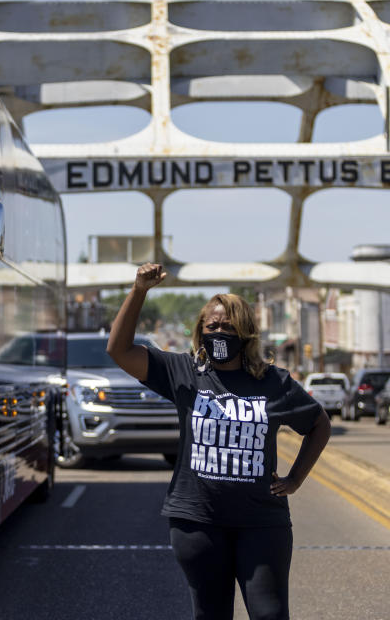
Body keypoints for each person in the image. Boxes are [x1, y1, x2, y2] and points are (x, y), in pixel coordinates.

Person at [107, 263, 331, 620]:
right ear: (200, 331)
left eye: (228, 326)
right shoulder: (182, 372)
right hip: (198, 522)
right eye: (212, 326)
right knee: (210, 615)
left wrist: (295, 479)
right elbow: (119, 350)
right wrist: (139, 291)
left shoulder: (275, 382)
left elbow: (319, 424)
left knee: (270, 614)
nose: (219, 333)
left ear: (246, 332)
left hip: (261, 523)